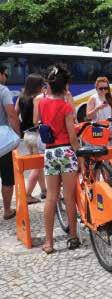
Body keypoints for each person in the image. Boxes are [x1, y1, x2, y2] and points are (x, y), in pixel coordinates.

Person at [35, 64, 81, 253]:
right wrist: (78, 150)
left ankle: (49, 242)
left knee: (51, 197)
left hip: (50, 152)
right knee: (69, 197)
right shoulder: (65, 106)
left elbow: (36, 121)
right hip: (66, 151)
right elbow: (72, 135)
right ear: (65, 86)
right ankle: (73, 236)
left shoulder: (42, 102)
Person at [15, 74, 47, 204]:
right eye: (42, 85)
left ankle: (44, 190)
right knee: (37, 167)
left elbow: (15, 114)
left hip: (27, 136)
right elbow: (40, 119)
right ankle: (27, 194)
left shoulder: (21, 97)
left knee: (37, 164)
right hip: (37, 135)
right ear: (38, 86)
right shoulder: (38, 99)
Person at [0, 65, 21, 220]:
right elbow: (12, 115)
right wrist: (17, 135)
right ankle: (7, 210)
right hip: (3, 141)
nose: (6, 77)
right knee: (7, 176)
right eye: (5, 74)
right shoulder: (3, 91)